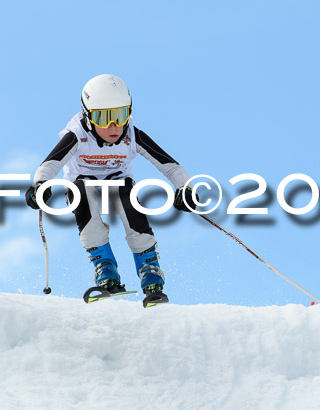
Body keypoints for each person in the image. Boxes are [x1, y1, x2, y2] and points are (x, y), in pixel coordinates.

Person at [25, 74, 195, 307]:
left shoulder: (132, 135)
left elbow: (170, 166)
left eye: (120, 115)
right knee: (81, 193)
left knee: (127, 193)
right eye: (104, 118)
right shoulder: (77, 135)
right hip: (84, 188)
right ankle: (104, 266)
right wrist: (40, 184)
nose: (113, 126)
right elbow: (50, 164)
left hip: (117, 188)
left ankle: (149, 267)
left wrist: (185, 188)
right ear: (88, 116)